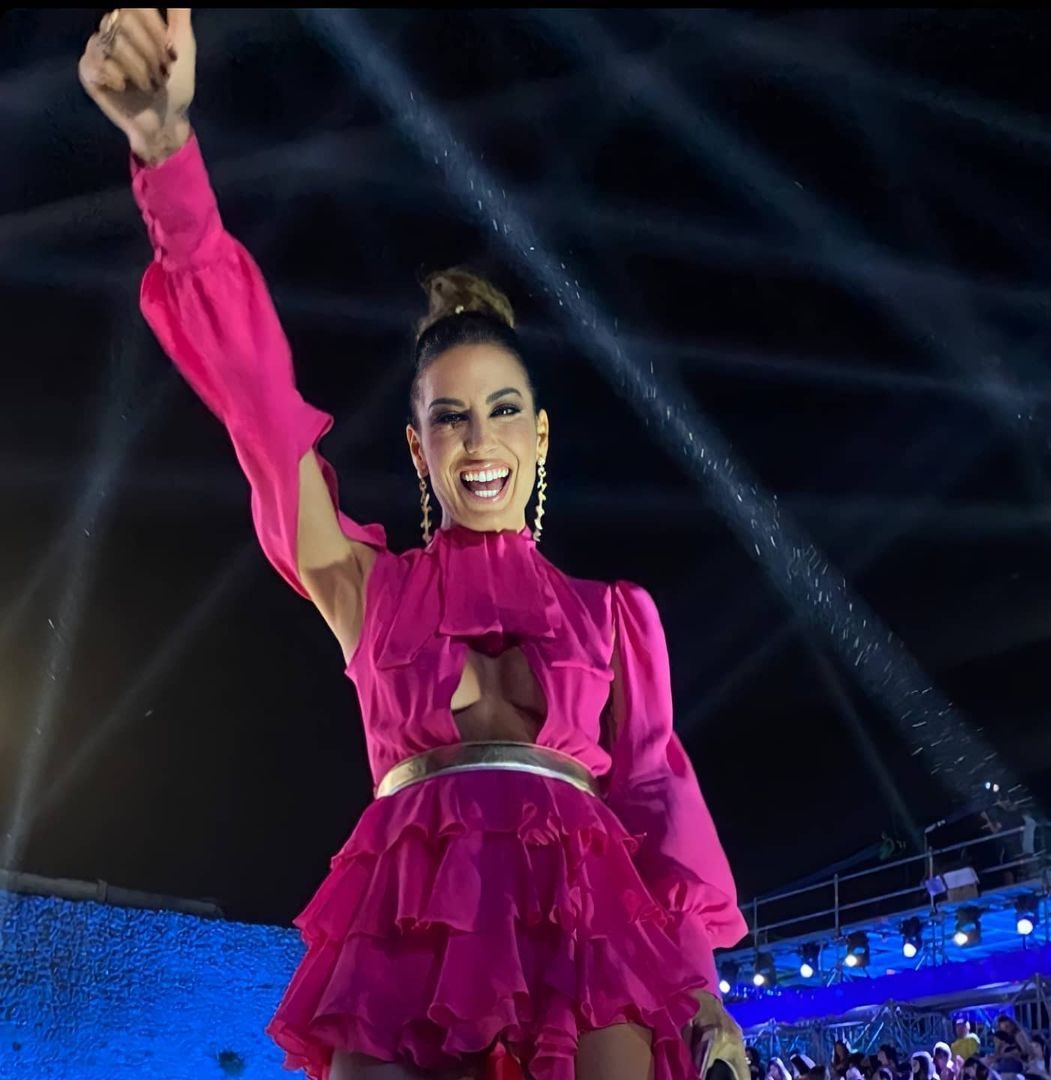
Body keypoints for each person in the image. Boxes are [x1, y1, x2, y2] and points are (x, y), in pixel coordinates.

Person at [77, 9, 749, 1080]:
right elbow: (257, 407)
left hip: (586, 936)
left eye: (502, 412)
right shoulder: (366, 588)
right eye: (449, 417)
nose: (478, 441)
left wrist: (705, 998)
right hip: (404, 928)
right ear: (417, 445)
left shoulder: (613, 617)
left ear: (540, 436)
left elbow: (658, 807)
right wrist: (168, 159)